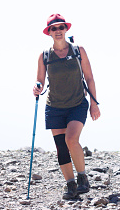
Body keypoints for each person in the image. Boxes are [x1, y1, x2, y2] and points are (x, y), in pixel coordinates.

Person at [33, 13, 101, 199]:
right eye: (53, 28)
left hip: (77, 103)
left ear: (66, 29)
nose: (58, 31)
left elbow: (89, 78)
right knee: (61, 147)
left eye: (61, 27)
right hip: (54, 106)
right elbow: (40, 80)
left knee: (71, 139)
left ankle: (82, 178)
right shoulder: (45, 56)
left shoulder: (78, 51)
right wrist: (37, 87)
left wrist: (94, 104)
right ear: (49, 32)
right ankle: (70, 185)